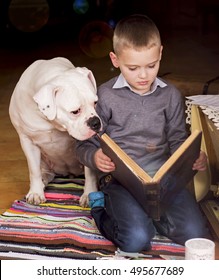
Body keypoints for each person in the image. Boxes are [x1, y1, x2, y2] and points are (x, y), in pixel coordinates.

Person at [76, 14, 209, 253]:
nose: (144, 76)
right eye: (133, 68)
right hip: (120, 182)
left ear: (160, 53)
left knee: (196, 235)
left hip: (164, 183)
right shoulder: (104, 96)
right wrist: (95, 158)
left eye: (151, 66)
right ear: (115, 60)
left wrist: (193, 158)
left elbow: (179, 140)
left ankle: (149, 215)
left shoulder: (170, 95)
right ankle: (100, 208)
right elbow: (83, 145)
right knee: (136, 240)